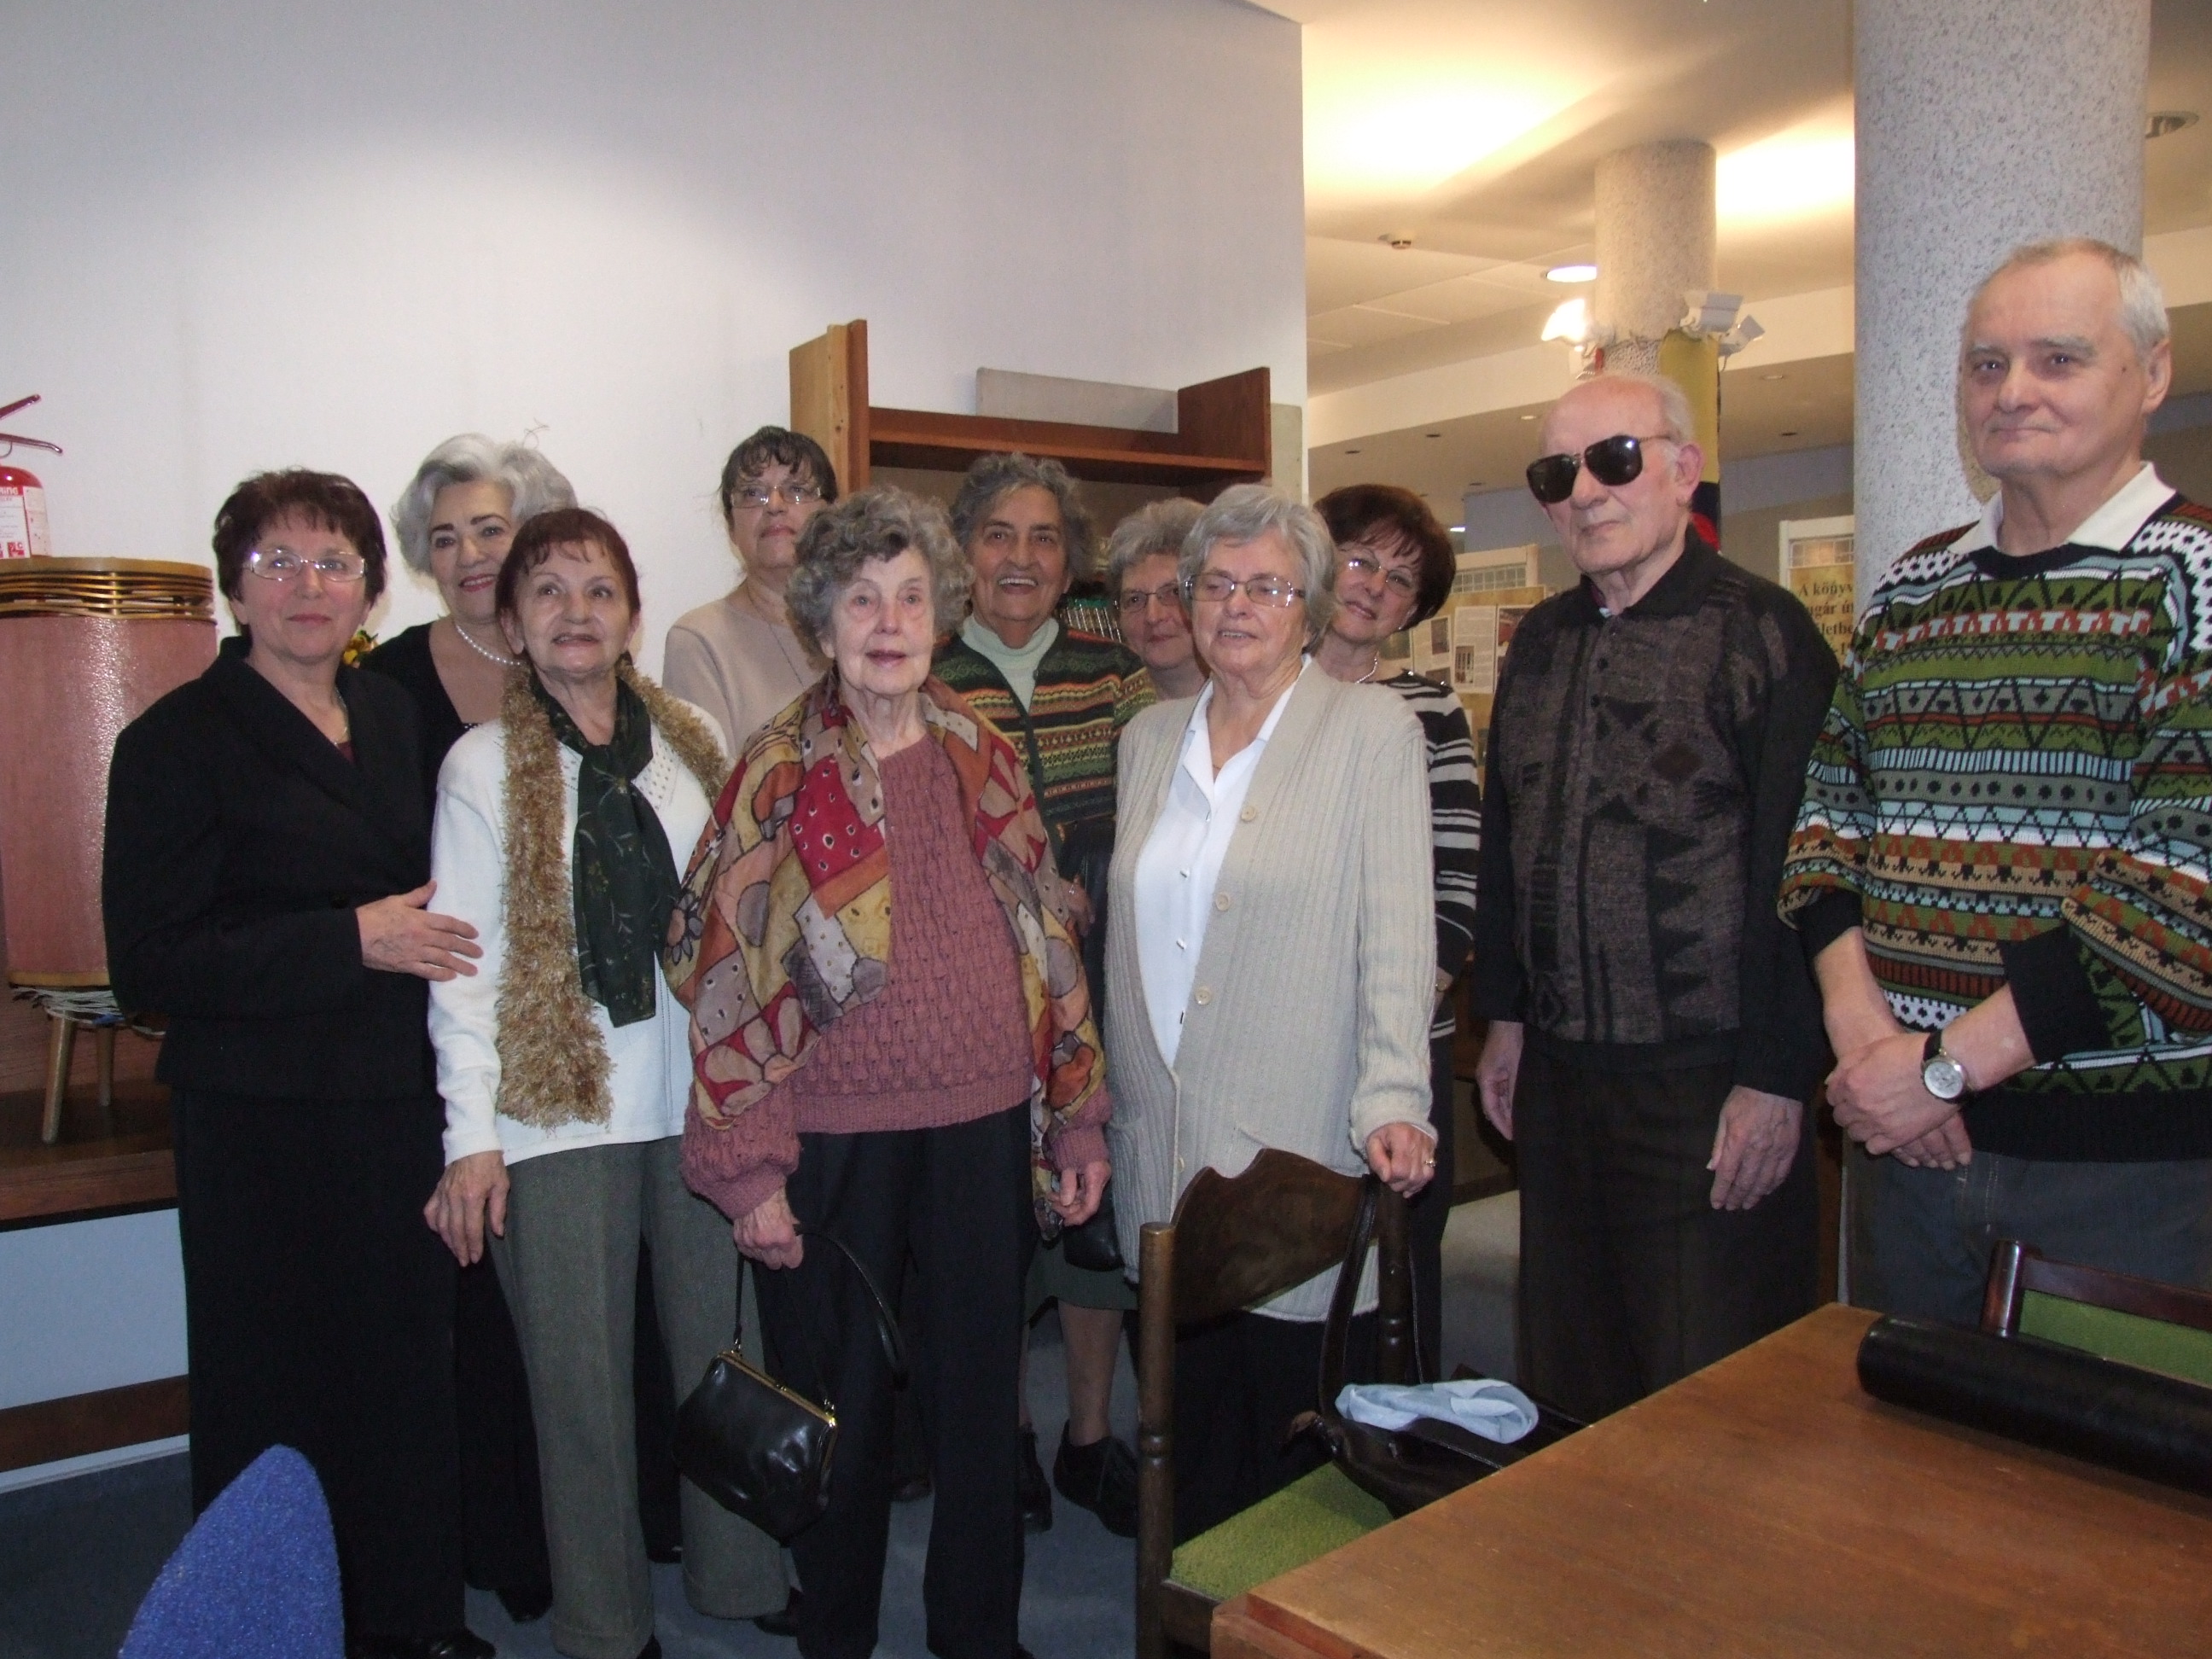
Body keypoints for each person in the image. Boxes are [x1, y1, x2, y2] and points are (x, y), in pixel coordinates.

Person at [673, 484, 1110, 1659]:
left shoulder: (981, 750)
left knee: (978, 1407)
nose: (888, 622)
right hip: (834, 1142)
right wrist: (748, 1169)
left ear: (940, 616)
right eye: (862, 599)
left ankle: (980, 1635)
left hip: (982, 1123)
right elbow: (726, 977)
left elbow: (1047, 940)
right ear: (822, 621)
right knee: (844, 1415)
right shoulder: (777, 770)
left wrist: (1076, 1117)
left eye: (912, 597)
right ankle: (838, 1636)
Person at [1780, 237, 2212, 1322]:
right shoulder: (1911, 589)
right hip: (1909, 1161)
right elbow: (1827, 826)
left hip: (2122, 1176)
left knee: (2102, 1439)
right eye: (1987, 364)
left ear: (2152, 374)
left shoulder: (2196, 580)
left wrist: (1940, 1070)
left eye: (2059, 359)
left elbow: (2180, 894)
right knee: (1891, 1427)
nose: (2013, 391)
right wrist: (1872, 1048)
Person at [103, 469, 489, 1659]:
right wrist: (346, 939)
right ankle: (270, 1629)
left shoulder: (395, 717)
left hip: (394, 1103)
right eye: (277, 562)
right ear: (235, 589)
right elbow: (148, 965)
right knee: (274, 1393)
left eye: (333, 562)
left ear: (371, 589)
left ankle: (410, 1620)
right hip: (257, 1123)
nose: (307, 586)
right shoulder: (173, 740)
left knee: (404, 1377)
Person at [422, 508, 786, 1659]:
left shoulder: (692, 743)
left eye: (598, 591)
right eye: (547, 592)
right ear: (512, 621)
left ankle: (739, 1572)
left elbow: (741, 917)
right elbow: (463, 971)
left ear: (631, 614)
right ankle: (603, 1620)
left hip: (695, 1106)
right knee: (579, 1391)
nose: (574, 613)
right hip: (557, 1118)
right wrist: (469, 1140)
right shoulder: (481, 765)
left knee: (724, 1358)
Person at [1470, 372, 1836, 1424]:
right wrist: (1505, 1020)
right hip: (1562, 1080)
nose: (1584, 492)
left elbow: (1806, 874)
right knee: (1571, 1372)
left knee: (1710, 1390)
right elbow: (1506, 842)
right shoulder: (1541, 642)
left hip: (1708, 1083)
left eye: (1614, 460)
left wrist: (1776, 1079)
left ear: (1684, 470)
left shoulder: (1763, 634)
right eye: (1558, 473)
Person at [1105, 482, 1437, 1540]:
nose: (1237, 606)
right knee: (1184, 1439)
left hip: (1296, 1142)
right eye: (1217, 584)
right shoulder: (1147, 738)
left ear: (1311, 605)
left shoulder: (1371, 730)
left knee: (1292, 1465)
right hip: (1163, 1147)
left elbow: (1399, 932)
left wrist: (1395, 1095)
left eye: (1268, 587)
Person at [364, 433, 577, 1624]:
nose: (469, 555)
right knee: (479, 1304)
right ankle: (507, 1536)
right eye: (443, 539)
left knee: (581, 1302)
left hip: (583, 1041)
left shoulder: (577, 657)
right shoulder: (386, 686)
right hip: (443, 1024)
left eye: (491, 528)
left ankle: (595, 1521)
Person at [934, 452, 1153, 1535]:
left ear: (1071, 564)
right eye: (999, 535)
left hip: (1099, 998)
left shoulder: (1115, 673)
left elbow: (1156, 816)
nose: (1021, 558)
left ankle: (1088, 1439)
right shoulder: (925, 674)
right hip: (976, 1006)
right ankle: (1008, 1435)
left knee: (1090, 1226)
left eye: (1045, 539)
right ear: (964, 554)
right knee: (991, 1234)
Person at [1313, 484, 1476, 1378]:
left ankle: (1401, 1437)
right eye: (1360, 559)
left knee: (1401, 1268)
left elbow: (1456, 891)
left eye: (1401, 580)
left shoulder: (1431, 712)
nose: (1374, 586)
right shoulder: (1256, 694)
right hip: (1290, 1043)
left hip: (1405, 1046)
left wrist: (1390, 1023)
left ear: (1413, 613)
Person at [662, 426, 836, 754]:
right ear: (731, 526)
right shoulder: (699, 642)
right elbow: (712, 781)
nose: (775, 505)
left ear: (829, 515)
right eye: (754, 493)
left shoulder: (860, 627)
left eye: (796, 489)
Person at [1104, 497, 1207, 698]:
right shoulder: (1103, 708)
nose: (1153, 616)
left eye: (1173, 593)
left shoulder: (1257, 707)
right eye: (1135, 600)